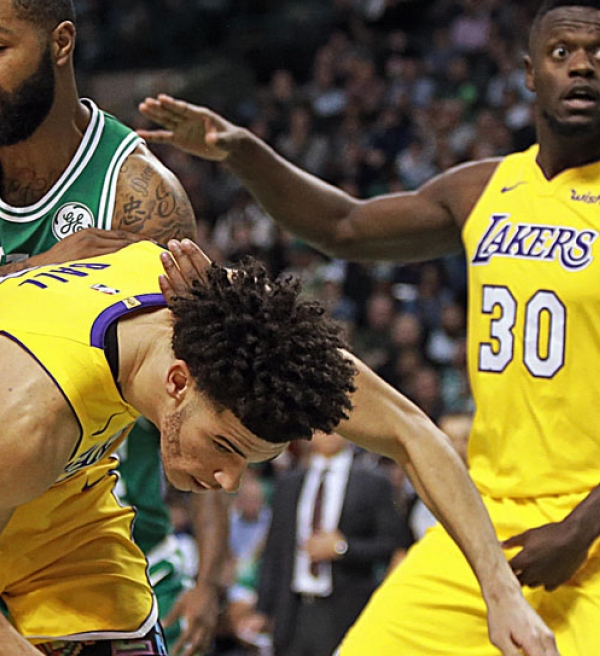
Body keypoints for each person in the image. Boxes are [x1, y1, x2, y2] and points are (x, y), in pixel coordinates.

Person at [134, 1, 600, 653]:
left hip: (589, 526)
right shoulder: (484, 189)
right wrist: (243, 153)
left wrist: (581, 529)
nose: (582, 66)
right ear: (529, 72)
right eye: (562, 52)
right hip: (488, 517)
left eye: (597, 53)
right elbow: (344, 226)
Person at [0, 238, 557, 656]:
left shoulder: (231, 326)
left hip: (64, 519)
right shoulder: (28, 420)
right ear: (177, 381)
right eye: (224, 445)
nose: (229, 480)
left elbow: (411, 432)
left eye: (249, 460)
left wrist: (502, 594)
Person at [0, 2, 228, 654]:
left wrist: (211, 576)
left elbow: (203, 400)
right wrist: (32, 272)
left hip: (91, 562)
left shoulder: (138, 200)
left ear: (60, 43)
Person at [254, 430, 406, 656]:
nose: (327, 433)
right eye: (320, 426)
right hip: (294, 610)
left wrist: (342, 548)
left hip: (344, 609)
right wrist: (263, 609)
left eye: (334, 426)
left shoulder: (373, 482)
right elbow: (275, 551)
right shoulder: (288, 483)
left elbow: (391, 544)